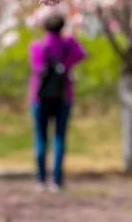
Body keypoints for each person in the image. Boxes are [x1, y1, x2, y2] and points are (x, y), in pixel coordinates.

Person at [28, 12, 86, 192]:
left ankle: (40, 180)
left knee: (40, 138)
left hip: (39, 98)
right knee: (59, 138)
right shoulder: (68, 44)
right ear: (62, 27)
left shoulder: (38, 46)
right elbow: (82, 54)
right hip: (64, 95)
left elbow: (37, 68)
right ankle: (57, 181)